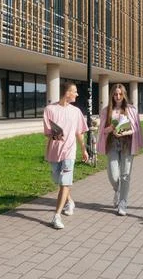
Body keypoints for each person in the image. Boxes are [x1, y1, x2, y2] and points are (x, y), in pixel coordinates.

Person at [43, 82, 88, 229]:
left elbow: (79, 132)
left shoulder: (76, 112)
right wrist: (55, 135)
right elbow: (48, 132)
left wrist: (84, 149)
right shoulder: (50, 109)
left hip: (70, 151)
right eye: (74, 91)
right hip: (54, 151)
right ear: (66, 93)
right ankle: (70, 201)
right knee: (58, 179)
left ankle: (56, 216)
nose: (77, 94)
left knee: (65, 182)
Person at [97, 84, 143, 216]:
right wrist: (112, 127)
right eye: (115, 94)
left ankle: (123, 202)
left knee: (125, 175)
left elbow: (136, 129)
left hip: (127, 144)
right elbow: (102, 131)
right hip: (112, 144)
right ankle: (118, 191)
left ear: (124, 95)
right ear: (112, 95)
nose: (118, 97)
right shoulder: (106, 111)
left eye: (120, 94)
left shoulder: (131, 110)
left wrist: (123, 133)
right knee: (113, 175)